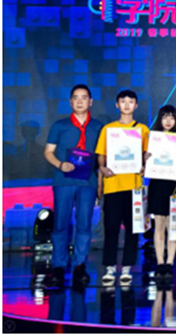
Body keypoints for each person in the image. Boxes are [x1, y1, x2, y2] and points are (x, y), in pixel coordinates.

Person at [43, 84, 104, 287]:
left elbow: (102, 156)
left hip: (88, 182)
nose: (79, 101)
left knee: (84, 224)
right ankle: (58, 266)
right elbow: (48, 152)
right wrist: (60, 164)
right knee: (60, 224)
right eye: (76, 98)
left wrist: (100, 183)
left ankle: (79, 265)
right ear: (70, 102)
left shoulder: (98, 127)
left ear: (90, 102)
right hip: (63, 181)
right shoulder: (59, 125)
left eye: (84, 97)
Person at [96, 90, 150, 285]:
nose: (127, 104)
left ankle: (127, 267)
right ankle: (109, 267)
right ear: (117, 104)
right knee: (111, 228)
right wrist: (102, 167)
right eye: (123, 101)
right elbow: (101, 154)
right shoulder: (108, 129)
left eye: (131, 101)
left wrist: (145, 163)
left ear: (136, 105)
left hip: (134, 187)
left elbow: (147, 154)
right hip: (113, 185)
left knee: (132, 229)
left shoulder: (142, 129)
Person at [145, 105, 176, 282]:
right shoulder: (152, 139)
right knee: (159, 225)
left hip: (174, 185)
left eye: (172, 117)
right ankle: (160, 262)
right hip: (157, 183)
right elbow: (144, 162)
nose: (168, 121)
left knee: (173, 226)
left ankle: (170, 262)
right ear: (160, 119)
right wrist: (145, 158)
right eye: (165, 117)